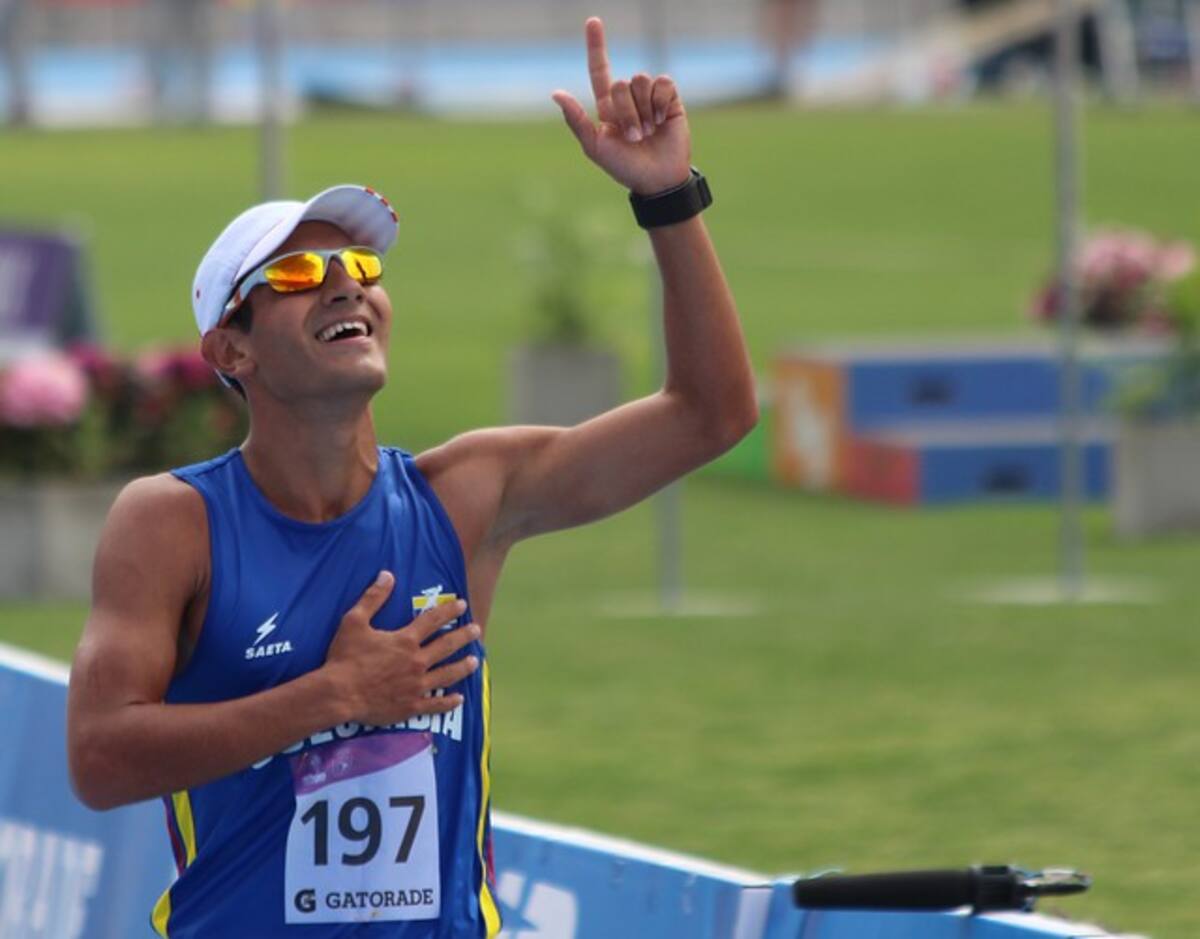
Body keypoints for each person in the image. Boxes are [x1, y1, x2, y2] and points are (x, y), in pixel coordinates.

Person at [66, 16, 756, 938]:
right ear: (232, 347)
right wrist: (332, 696)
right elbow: (99, 756)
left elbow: (712, 413)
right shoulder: (172, 522)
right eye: (302, 272)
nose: (347, 284)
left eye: (360, 264)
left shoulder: (465, 494)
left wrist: (668, 194)